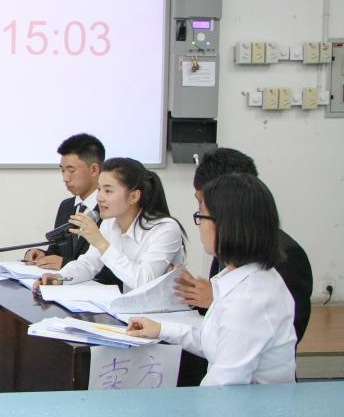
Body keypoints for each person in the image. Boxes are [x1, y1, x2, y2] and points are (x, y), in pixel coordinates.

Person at [127, 173, 297, 386]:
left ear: (226, 225)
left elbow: (223, 384)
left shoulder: (248, 299)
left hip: (246, 406)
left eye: (201, 215)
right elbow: (216, 340)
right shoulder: (245, 278)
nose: (199, 225)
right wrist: (161, 329)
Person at [173, 148, 313, 342]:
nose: (200, 219)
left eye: (203, 208)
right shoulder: (228, 243)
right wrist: (193, 294)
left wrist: (217, 300)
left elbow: (288, 332)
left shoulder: (288, 255)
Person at [35, 158, 184, 292]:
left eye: (108, 191)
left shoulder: (166, 229)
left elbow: (144, 282)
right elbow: (88, 264)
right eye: (99, 189)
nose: (99, 198)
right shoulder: (110, 223)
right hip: (129, 308)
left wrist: (101, 243)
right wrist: (59, 278)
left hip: (164, 312)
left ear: (133, 196)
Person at [24, 134, 110, 280]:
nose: (65, 178)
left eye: (71, 170)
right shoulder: (66, 206)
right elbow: (56, 249)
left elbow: (114, 268)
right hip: (62, 289)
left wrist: (65, 264)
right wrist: (42, 255)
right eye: (62, 170)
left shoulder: (110, 209)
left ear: (94, 170)